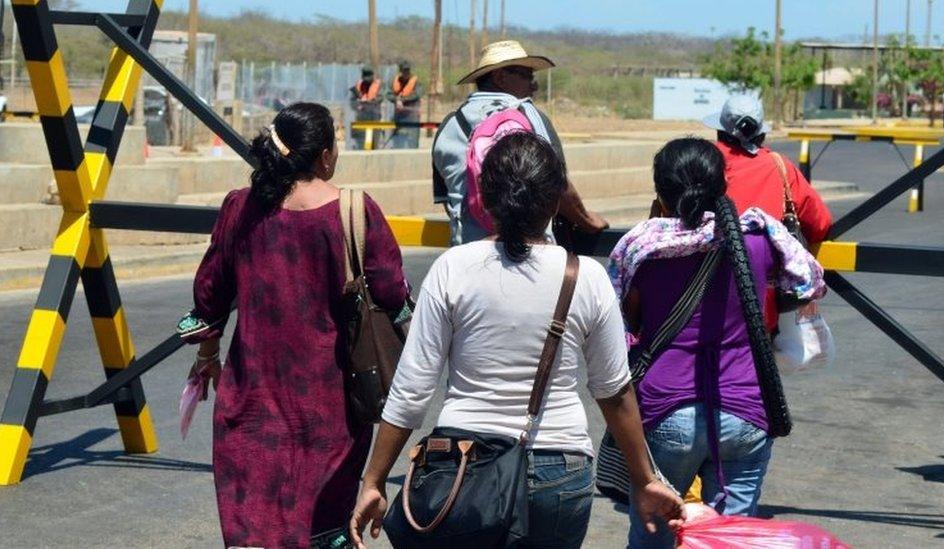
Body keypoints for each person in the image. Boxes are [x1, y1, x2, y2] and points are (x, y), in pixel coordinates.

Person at [350, 132, 684, 549]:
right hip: (559, 470)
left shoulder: (453, 268)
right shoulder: (587, 277)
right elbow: (614, 393)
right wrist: (644, 480)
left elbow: (412, 390)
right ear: (554, 201)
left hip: (461, 466)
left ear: (484, 199)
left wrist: (374, 481)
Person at [177, 103, 410, 548]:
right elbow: (394, 296)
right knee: (318, 530)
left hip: (249, 408)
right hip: (330, 414)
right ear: (324, 155)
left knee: (254, 531)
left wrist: (207, 355)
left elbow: (209, 295)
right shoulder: (354, 211)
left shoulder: (239, 207)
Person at [608, 138, 826, 548]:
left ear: (660, 191)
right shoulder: (760, 238)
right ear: (722, 185)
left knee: (652, 538)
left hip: (666, 411)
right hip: (746, 413)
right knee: (732, 539)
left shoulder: (641, 248)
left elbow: (626, 323)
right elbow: (808, 282)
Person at [432, 39, 609, 246]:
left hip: (468, 255)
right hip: (530, 255)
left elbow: (448, 202)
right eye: (527, 76)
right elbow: (557, 186)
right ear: (500, 77)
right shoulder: (529, 115)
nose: (534, 85)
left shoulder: (449, 124)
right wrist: (587, 221)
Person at [704, 95, 832, 331]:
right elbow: (821, 222)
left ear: (720, 130)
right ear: (760, 133)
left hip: (700, 308)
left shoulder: (701, 163)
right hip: (761, 310)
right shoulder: (778, 165)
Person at [385, 60, 423, 149]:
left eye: (407, 70)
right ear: (400, 71)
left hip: (412, 117)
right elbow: (388, 94)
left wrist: (402, 100)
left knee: (412, 140)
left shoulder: (416, 81)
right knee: (398, 139)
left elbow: (417, 94)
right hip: (398, 115)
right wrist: (396, 100)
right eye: (404, 71)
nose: (406, 73)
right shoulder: (394, 81)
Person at [349, 66, 383, 150]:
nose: (367, 80)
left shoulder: (378, 85)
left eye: (369, 77)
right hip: (361, 118)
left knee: (374, 143)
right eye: (365, 77)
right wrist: (358, 106)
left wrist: (370, 101)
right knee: (361, 143)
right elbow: (352, 101)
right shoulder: (358, 86)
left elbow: (381, 98)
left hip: (374, 117)